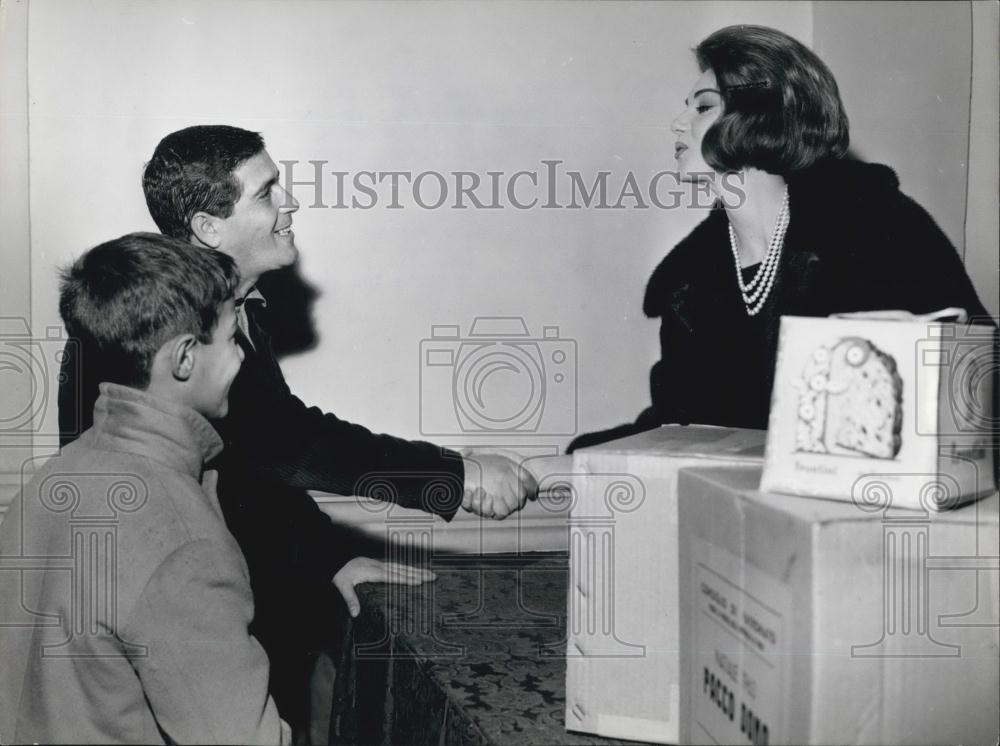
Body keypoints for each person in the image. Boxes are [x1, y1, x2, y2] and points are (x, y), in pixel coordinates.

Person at [57, 125, 536, 738]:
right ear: (209, 228)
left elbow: (253, 470)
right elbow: (290, 444)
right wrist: (456, 474)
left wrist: (330, 558)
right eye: (268, 192)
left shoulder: (237, 309)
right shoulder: (154, 321)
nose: (291, 204)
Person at [569, 24, 991, 452]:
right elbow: (681, 427)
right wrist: (554, 464)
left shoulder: (876, 228)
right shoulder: (691, 283)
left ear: (760, 115)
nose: (677, 124)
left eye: (703, 107)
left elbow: (976, 384)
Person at [0, 234, 301, 742]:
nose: (242, 358)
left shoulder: (54, 478)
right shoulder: (183, 542)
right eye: (231, 339)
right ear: (184, 358)